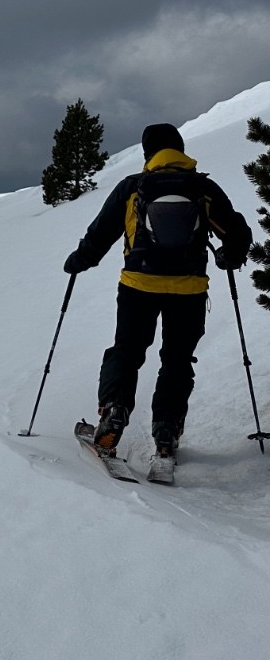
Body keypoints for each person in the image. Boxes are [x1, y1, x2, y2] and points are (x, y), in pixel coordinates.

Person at [63, 122, 252, 479]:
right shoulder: (203, 188)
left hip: (139, 286)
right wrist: (229, 257)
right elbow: (239, 234)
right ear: (181, 151)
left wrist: (78, 262)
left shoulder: (134, 187)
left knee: (126, 352)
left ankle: (113, 415)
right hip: (190, 290)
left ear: (148, 153)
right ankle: (166, 435)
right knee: (177, 360)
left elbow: (100, 234)